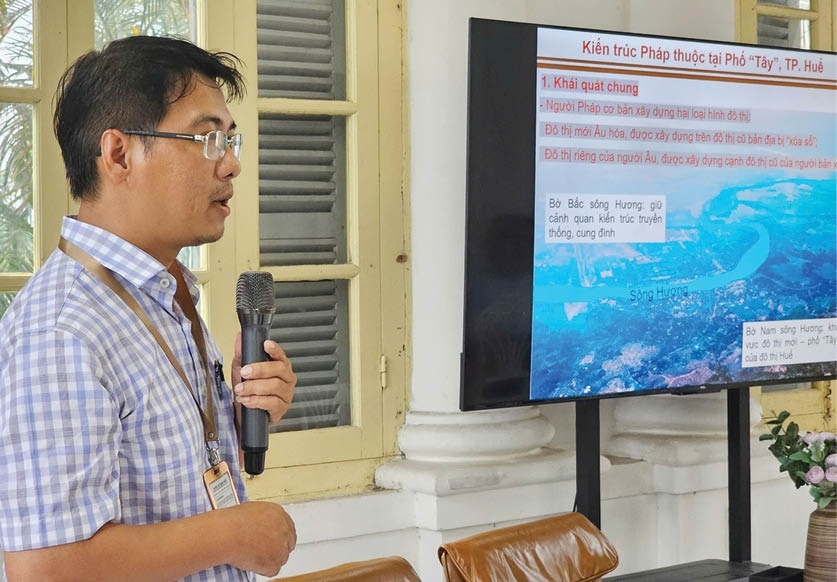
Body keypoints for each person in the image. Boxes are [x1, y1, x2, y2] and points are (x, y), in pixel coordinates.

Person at [0, 36, 297, 581]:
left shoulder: (162, 289)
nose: (231, 164)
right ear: (118, 154)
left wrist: (237, 411)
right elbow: (46, 569)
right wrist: (233, 533)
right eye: (208, 139)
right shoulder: (64, 328)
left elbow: (156, 471)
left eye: (232, 140)